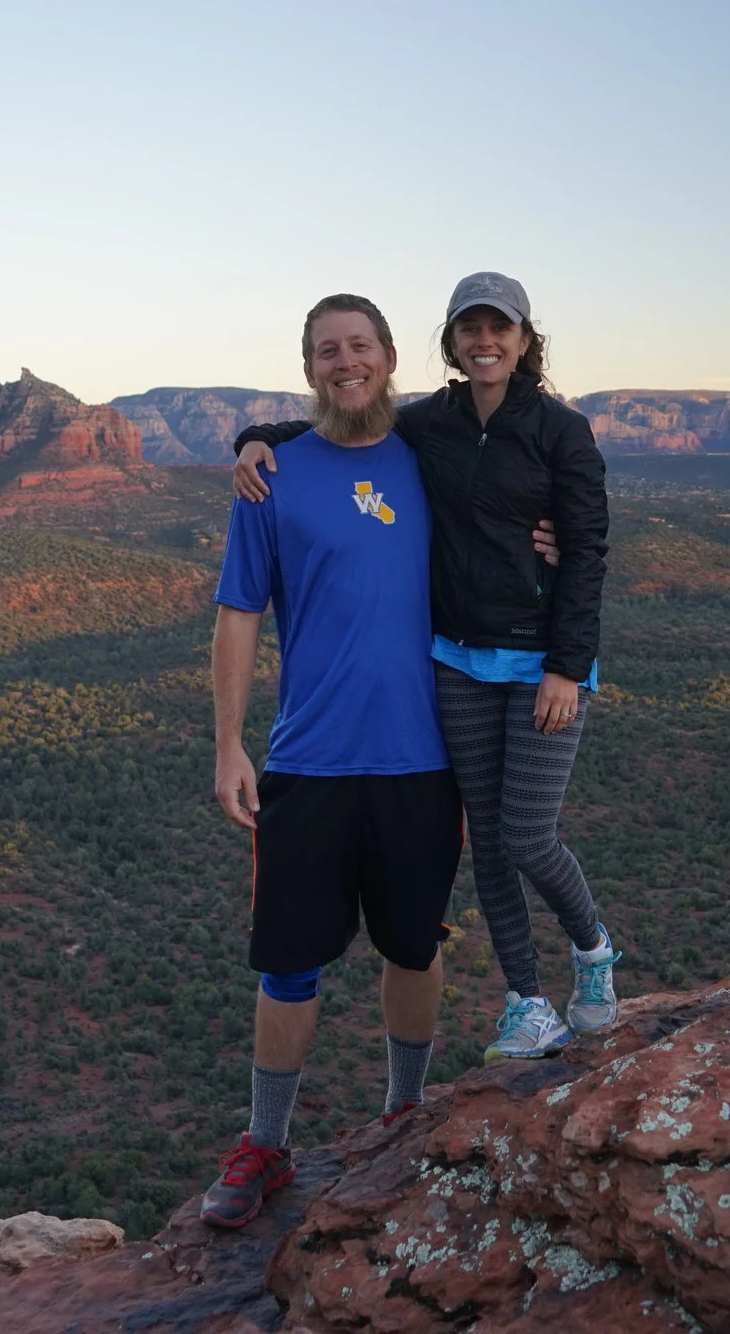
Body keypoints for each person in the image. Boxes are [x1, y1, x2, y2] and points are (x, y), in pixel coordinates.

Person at [233, 271, 617, 1064]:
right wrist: (251, 437)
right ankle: (524, 1003)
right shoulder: (430, 424)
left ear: (521, 337)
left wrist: (567, 667)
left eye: (498, 328)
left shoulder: (556, 429)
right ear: (448, 344)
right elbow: (342, 418)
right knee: (482, 855)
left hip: (528, 670)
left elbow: (586, 553)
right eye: (469, 329)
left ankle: (593, 954)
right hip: (448, 668)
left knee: (522, 836)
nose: (485, 342)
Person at [201, 292, 462, 1230]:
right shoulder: (275, 477)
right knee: (289, 962)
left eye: (359, 346)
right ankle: (266, 1142)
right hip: (308, 760)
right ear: (309, 367)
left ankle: (404, 1112)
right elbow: (239, 611)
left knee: (414, 946)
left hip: (425, 760)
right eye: (326, 351)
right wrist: (231, 742)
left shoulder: (438, 462)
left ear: (390, 357)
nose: (344, 361)